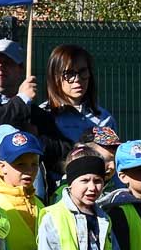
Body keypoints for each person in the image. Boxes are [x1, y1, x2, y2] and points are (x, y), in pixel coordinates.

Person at [33, 45, 117, 178]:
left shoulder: (104, 118)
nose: (77, 79)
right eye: (69, 74)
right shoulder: (43, 115)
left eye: (83, 71)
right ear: (55, 77)